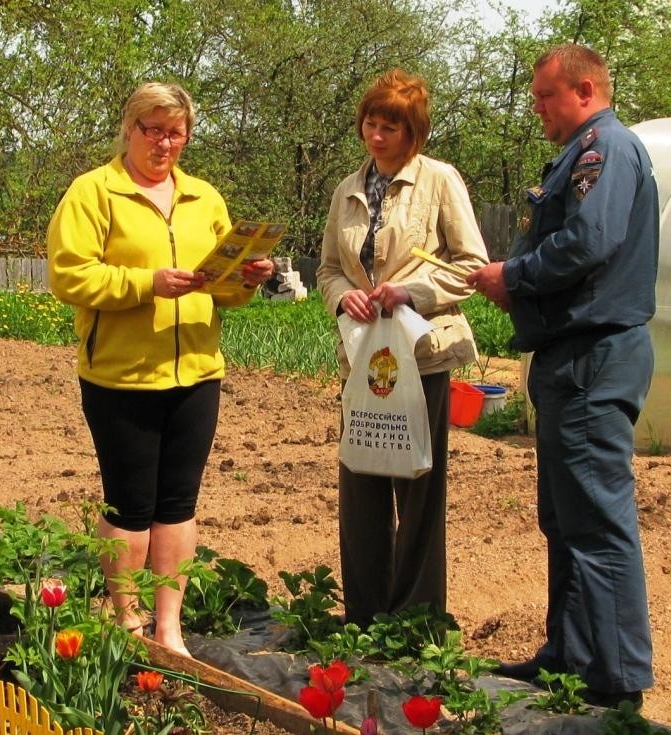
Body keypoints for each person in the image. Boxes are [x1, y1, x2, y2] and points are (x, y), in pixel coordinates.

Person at [47, 82, 274, 656]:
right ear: (129, 128)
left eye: (174, 132)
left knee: (178, 502)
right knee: (129, 504)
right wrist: (144, 285)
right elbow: (68, 276)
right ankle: (127, 621)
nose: (163, 142)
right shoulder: (94, 192)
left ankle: (169, 628)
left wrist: (244, 281)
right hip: (120, 376)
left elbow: (222, 293)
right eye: (152, 129)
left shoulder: (204, 198)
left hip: (197, 372)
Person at [467, 45, 658, 709]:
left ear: (583, 90)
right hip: (570, 357)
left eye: (546, 97)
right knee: (566, 515)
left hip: (592, 356)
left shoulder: (607, 150)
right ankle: (571, 654)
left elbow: (590, 240)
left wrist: (510, 277)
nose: (538, 109)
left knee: (597, 519)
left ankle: (615, 681)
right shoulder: (583, 153)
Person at [317, 69, 489, 628]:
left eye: (390, 126)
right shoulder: (347, 189)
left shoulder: (439, 182)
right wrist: (346, 299)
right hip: (364, 357)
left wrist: (409, 292)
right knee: (361, 477)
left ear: (414, 133)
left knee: (417, 486)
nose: (377, 135)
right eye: (371, 122)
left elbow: (471, 267)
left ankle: (416, 619)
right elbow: (326, 271)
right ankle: (365, 616)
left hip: (422, 357)